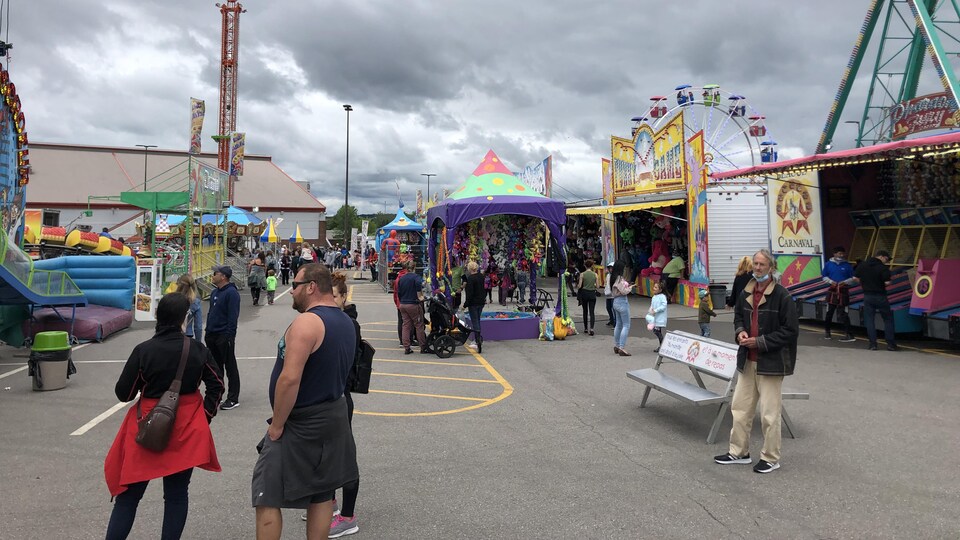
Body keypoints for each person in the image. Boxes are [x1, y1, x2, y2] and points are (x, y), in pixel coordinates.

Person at [252, 263, 358, 540]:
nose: (291, 292)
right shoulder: (345, 321)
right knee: (321, 493)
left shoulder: (308, 322)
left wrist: (277, 425)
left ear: (311, 287)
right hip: (333, 414)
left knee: (266, 492)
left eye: (295, 286)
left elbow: (289, 379)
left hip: (301, 420)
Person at [104, 293, 223, 540]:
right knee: (177, 494)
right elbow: (217, 385)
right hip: (187, 424)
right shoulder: (198, 350)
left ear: (158, 316)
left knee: (129, 496)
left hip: (147, 424)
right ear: (184, 318)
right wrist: (205, 415)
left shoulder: (143, 350)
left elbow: (124, 393)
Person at [714, 248, 798, 474]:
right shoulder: (746, 292)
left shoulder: (782, 295)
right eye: (755, 264)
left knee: (770, 414)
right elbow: (738, 317)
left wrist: (759, 342)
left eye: (762, 264)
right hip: (748, 360)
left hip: (771, 361)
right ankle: (738, 452)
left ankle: (771, 457)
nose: (758, 268)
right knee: (740, 408)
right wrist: (740, 331)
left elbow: (790, 331)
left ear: (771, 268)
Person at [300, 272, 363, 536]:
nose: (330, 301)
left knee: (343, 457)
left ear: (342, 298)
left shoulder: (347, 324)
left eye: (334, 297)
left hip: (339, 396)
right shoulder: (332, 320)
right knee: (325, 455)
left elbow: (343, 364)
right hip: (330, 397)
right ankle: (330, 503)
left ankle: (348, 515)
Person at [206, 265, 242, 411]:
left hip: (223, 335)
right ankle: (217, 394)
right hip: (212, 334)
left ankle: (233, 397)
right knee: (215, 367)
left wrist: (229, 335)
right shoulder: (215, 292)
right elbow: (211, 313)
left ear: (223, 277)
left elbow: (233, 316)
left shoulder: (231, 293)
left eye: (215, 273)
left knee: (230, 365)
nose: (212, 275)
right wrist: (208, 331)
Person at [853, 249, 898, 351]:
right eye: (886, 259)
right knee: (888, 319)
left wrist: (864, 283)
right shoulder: (883, 268)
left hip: (868, 296)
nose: (887, 261)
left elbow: (855, 278)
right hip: (880, 296)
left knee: (869, 320)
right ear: (881, 257)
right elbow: (887, 283)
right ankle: (890, 344)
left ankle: (872, 344)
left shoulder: (863, 265)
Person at [822, 246, 857, 342]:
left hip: (843, 290)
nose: (841, 255)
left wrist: (845, 282)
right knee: (829, 312)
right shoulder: (828, 264)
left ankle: (849, 334)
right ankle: (827, 331)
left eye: (842, 254)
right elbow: (824, 276)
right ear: (834, 254)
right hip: (832, 290)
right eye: (839, 253)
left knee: (844, 313)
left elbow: (853, 278)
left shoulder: (847, 265)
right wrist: (830, 281)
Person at [397, 260, 428, 355]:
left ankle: (406, 347)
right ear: (414, 268)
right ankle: (423, 346)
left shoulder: (402, 278)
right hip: (413, 304)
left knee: (406, 325)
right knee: (418, 325)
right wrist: (422, 297)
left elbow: (399, 292)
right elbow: (419, 291)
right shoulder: (416, 278)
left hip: (403, 304)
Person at [610, 260, 634, 356]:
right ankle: (622, 347)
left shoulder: (612, 277)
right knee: (626, 325)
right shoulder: (619, 279)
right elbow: (624, 291)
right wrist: (630, 288)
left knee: (618, 324)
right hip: (622, 301)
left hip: (615, 301)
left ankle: (617, 344)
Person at [463, 261, 485, 350]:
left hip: (473, 303)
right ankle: (478, 338)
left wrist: (465, 304)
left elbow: (470, 294)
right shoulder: (481, 277)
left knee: (475, 321)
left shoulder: (471, 279)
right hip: (481, 301)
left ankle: (477, 340)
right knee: (478, 320)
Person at [175, 273, 203, 340]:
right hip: (188, 334)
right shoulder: (195, 302)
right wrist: (198, 343)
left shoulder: (173, 299)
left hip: (173, 335)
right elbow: (198, 327)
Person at [577, 259, 598, 336]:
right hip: (592, 293)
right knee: (592, 312)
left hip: (584, 293)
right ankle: (592, 328)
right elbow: (598, 286)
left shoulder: (582, 274)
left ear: (585, 266)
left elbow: (579, 286)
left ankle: (586, 328)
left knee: (585, 311)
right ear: (592, 266)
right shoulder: (595, 275)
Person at [648, 280, 668, 350]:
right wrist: (650, 311)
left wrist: (656, 310)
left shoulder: (662, 297)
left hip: (660, 318)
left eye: (656, 287)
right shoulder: (654, 297)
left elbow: (663, 306)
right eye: (654, 287)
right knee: (656, 331)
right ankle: (661, 346)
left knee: (656, 331)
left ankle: (662, 346)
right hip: (655, 317)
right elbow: (652, 305)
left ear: (660, 290)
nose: (654, 288)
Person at [604, 263, 616, 327]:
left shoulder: (616, 276)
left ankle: (615, 322)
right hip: (608, 294)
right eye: (610, 268)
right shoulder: (608, 275)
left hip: (613, 295)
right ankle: (611, 319)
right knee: (608, 308)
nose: (611, 269)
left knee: (614, 309)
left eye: (612, 268)